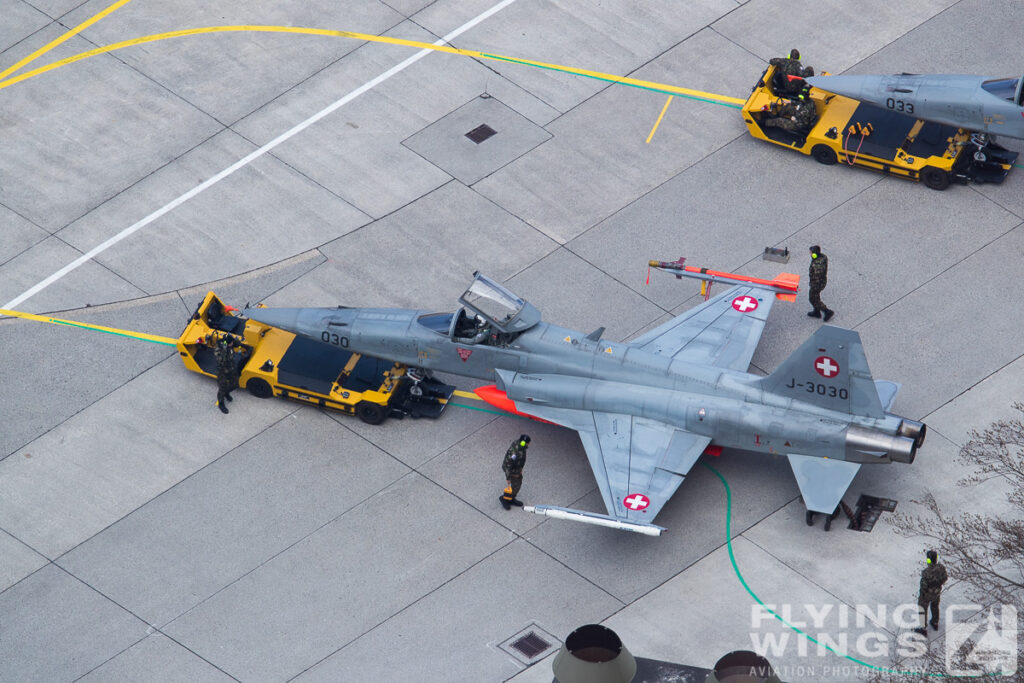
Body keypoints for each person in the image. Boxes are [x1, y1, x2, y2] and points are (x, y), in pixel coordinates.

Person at [915, 550, 948, 635]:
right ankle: (935, 622)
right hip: (937, 593)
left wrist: (923, 592)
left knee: (922, 609)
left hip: (926, 595)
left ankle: (923, 628)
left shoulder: (926, 572)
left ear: (928, 560)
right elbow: (945, 578)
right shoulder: (941, 568)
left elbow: (923, 585)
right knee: (935, 606)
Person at [500, 434, 530, 510]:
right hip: (512, 471)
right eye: (528, 443)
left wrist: (520, 469)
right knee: (516, 485)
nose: (529, 444)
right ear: (524, 443)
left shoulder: (521, 447)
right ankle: (505, 499)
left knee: (517, 484)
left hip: (517, 470)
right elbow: (508, 465)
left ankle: (511, 498)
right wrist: (508, 477)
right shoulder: (514, 453)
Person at [807, 245, 834, 322]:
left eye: (811, 253)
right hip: (822, 282)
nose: (810, 254)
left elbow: (817, 276)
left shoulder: (816, 265)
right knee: (816, 296)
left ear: (814, 254)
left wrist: (813, 285)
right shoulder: (823, 257)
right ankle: (816, 312)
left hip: (817, 284)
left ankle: (827, 311)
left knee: (812, 299)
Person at [214, 335, 240, 414]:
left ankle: (226, 393)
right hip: (223, 371)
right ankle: (221, 403)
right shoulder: (219, 350)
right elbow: (221, 361)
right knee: (222, 387)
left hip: (231, 368)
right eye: (231, 343)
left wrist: (237, 341)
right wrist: (225, 350)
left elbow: (237, 344)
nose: (232, 343)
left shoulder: (230, 344)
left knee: (235, 384)